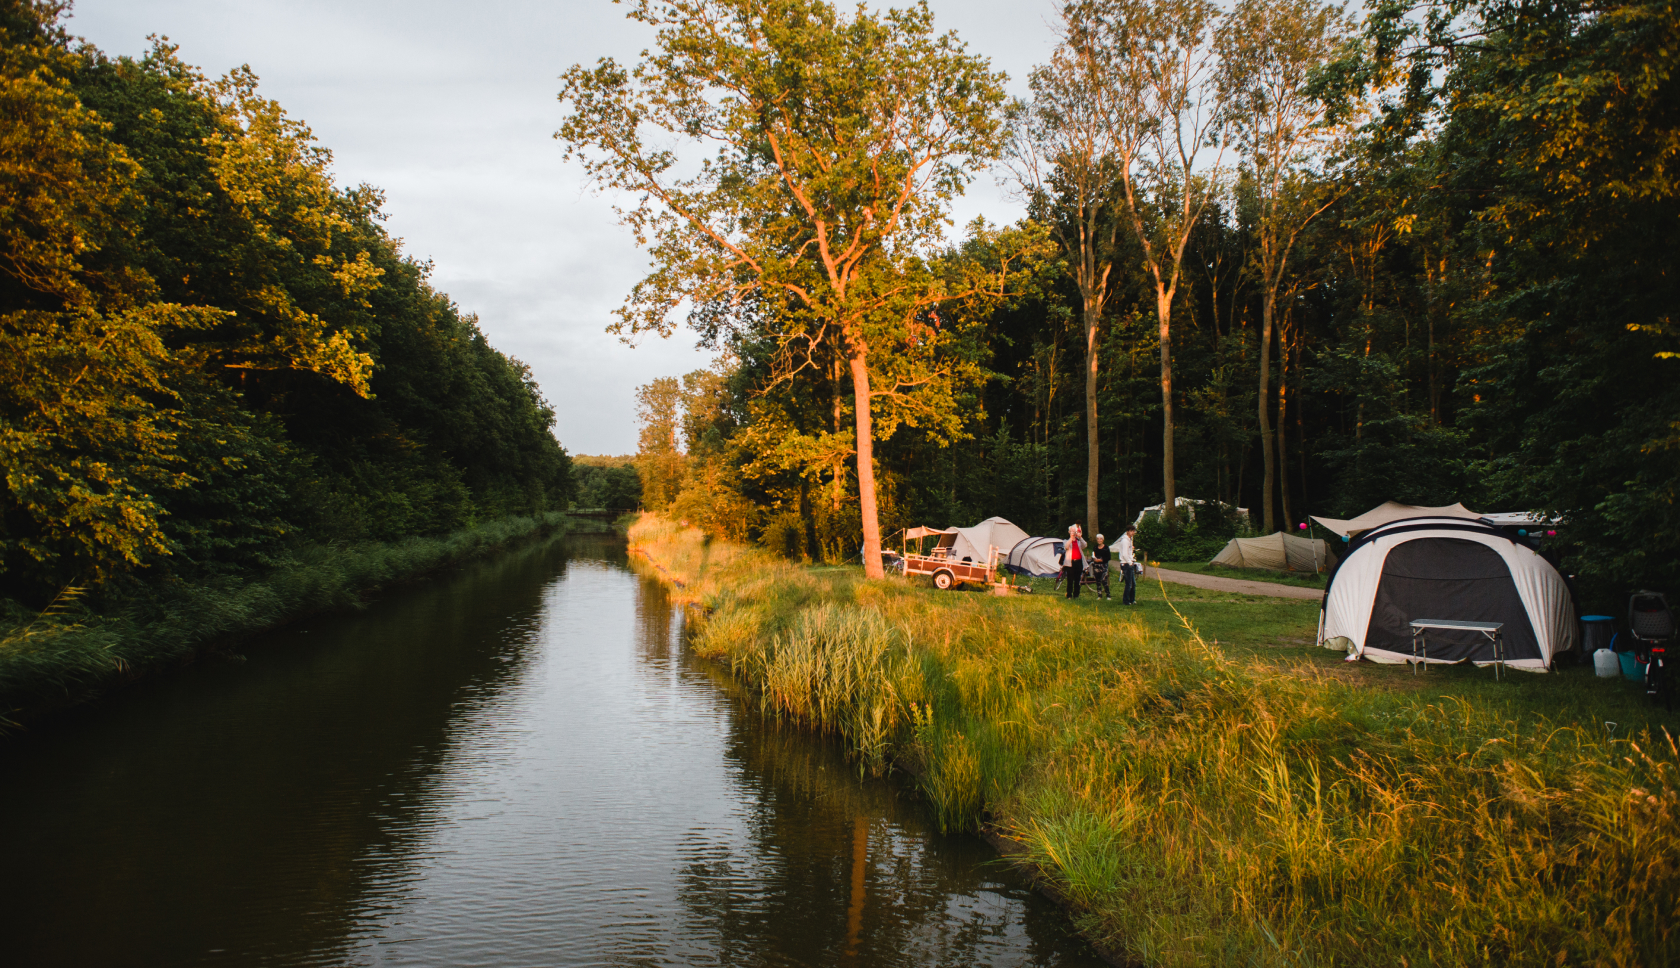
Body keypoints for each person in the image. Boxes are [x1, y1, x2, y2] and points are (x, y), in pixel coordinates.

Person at [1059, 524, 1087, 599]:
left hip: (1078, 562)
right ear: (1069, 532)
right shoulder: (1066, 541)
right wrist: (1071, 538)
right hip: (1070, 563)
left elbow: (1085, 545)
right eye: (1071, 531)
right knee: (1070, 579)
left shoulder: (1078, 541)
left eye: (1074, 531)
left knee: (1077, 579)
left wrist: (1080, 537)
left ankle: (1076, 595)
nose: (1073, 533)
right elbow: (1066, 547)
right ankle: (1069, 595)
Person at [1117, 524, 1140, 605]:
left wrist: (1132, 560)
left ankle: (1132, 599)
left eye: (1133, 531)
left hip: (1129, 562)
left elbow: (1130, 552)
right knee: (1129, 583)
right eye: (1131, 531)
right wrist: (1130, 562)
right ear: (1128, 532)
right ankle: (1126, 600)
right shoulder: (1125, 541)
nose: (1133, 533)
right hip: (1126, 564)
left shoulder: (1130, 540)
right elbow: (1124, 554)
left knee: (1133, 583)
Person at [1090, 533, 1113, 600]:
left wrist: (1101, 560)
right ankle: (1099, 595)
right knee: (1097, 580)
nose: (1099, 540)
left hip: (1104, 566)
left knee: (1104, 580)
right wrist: (1094, 559)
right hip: (1096, 566)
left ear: (1103, 540)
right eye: (1098, 539)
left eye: (1100, 539)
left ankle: (1108, 595)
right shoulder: (1095, 547)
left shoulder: (1106, 548)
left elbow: (1108, 557)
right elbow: (1093, 555)